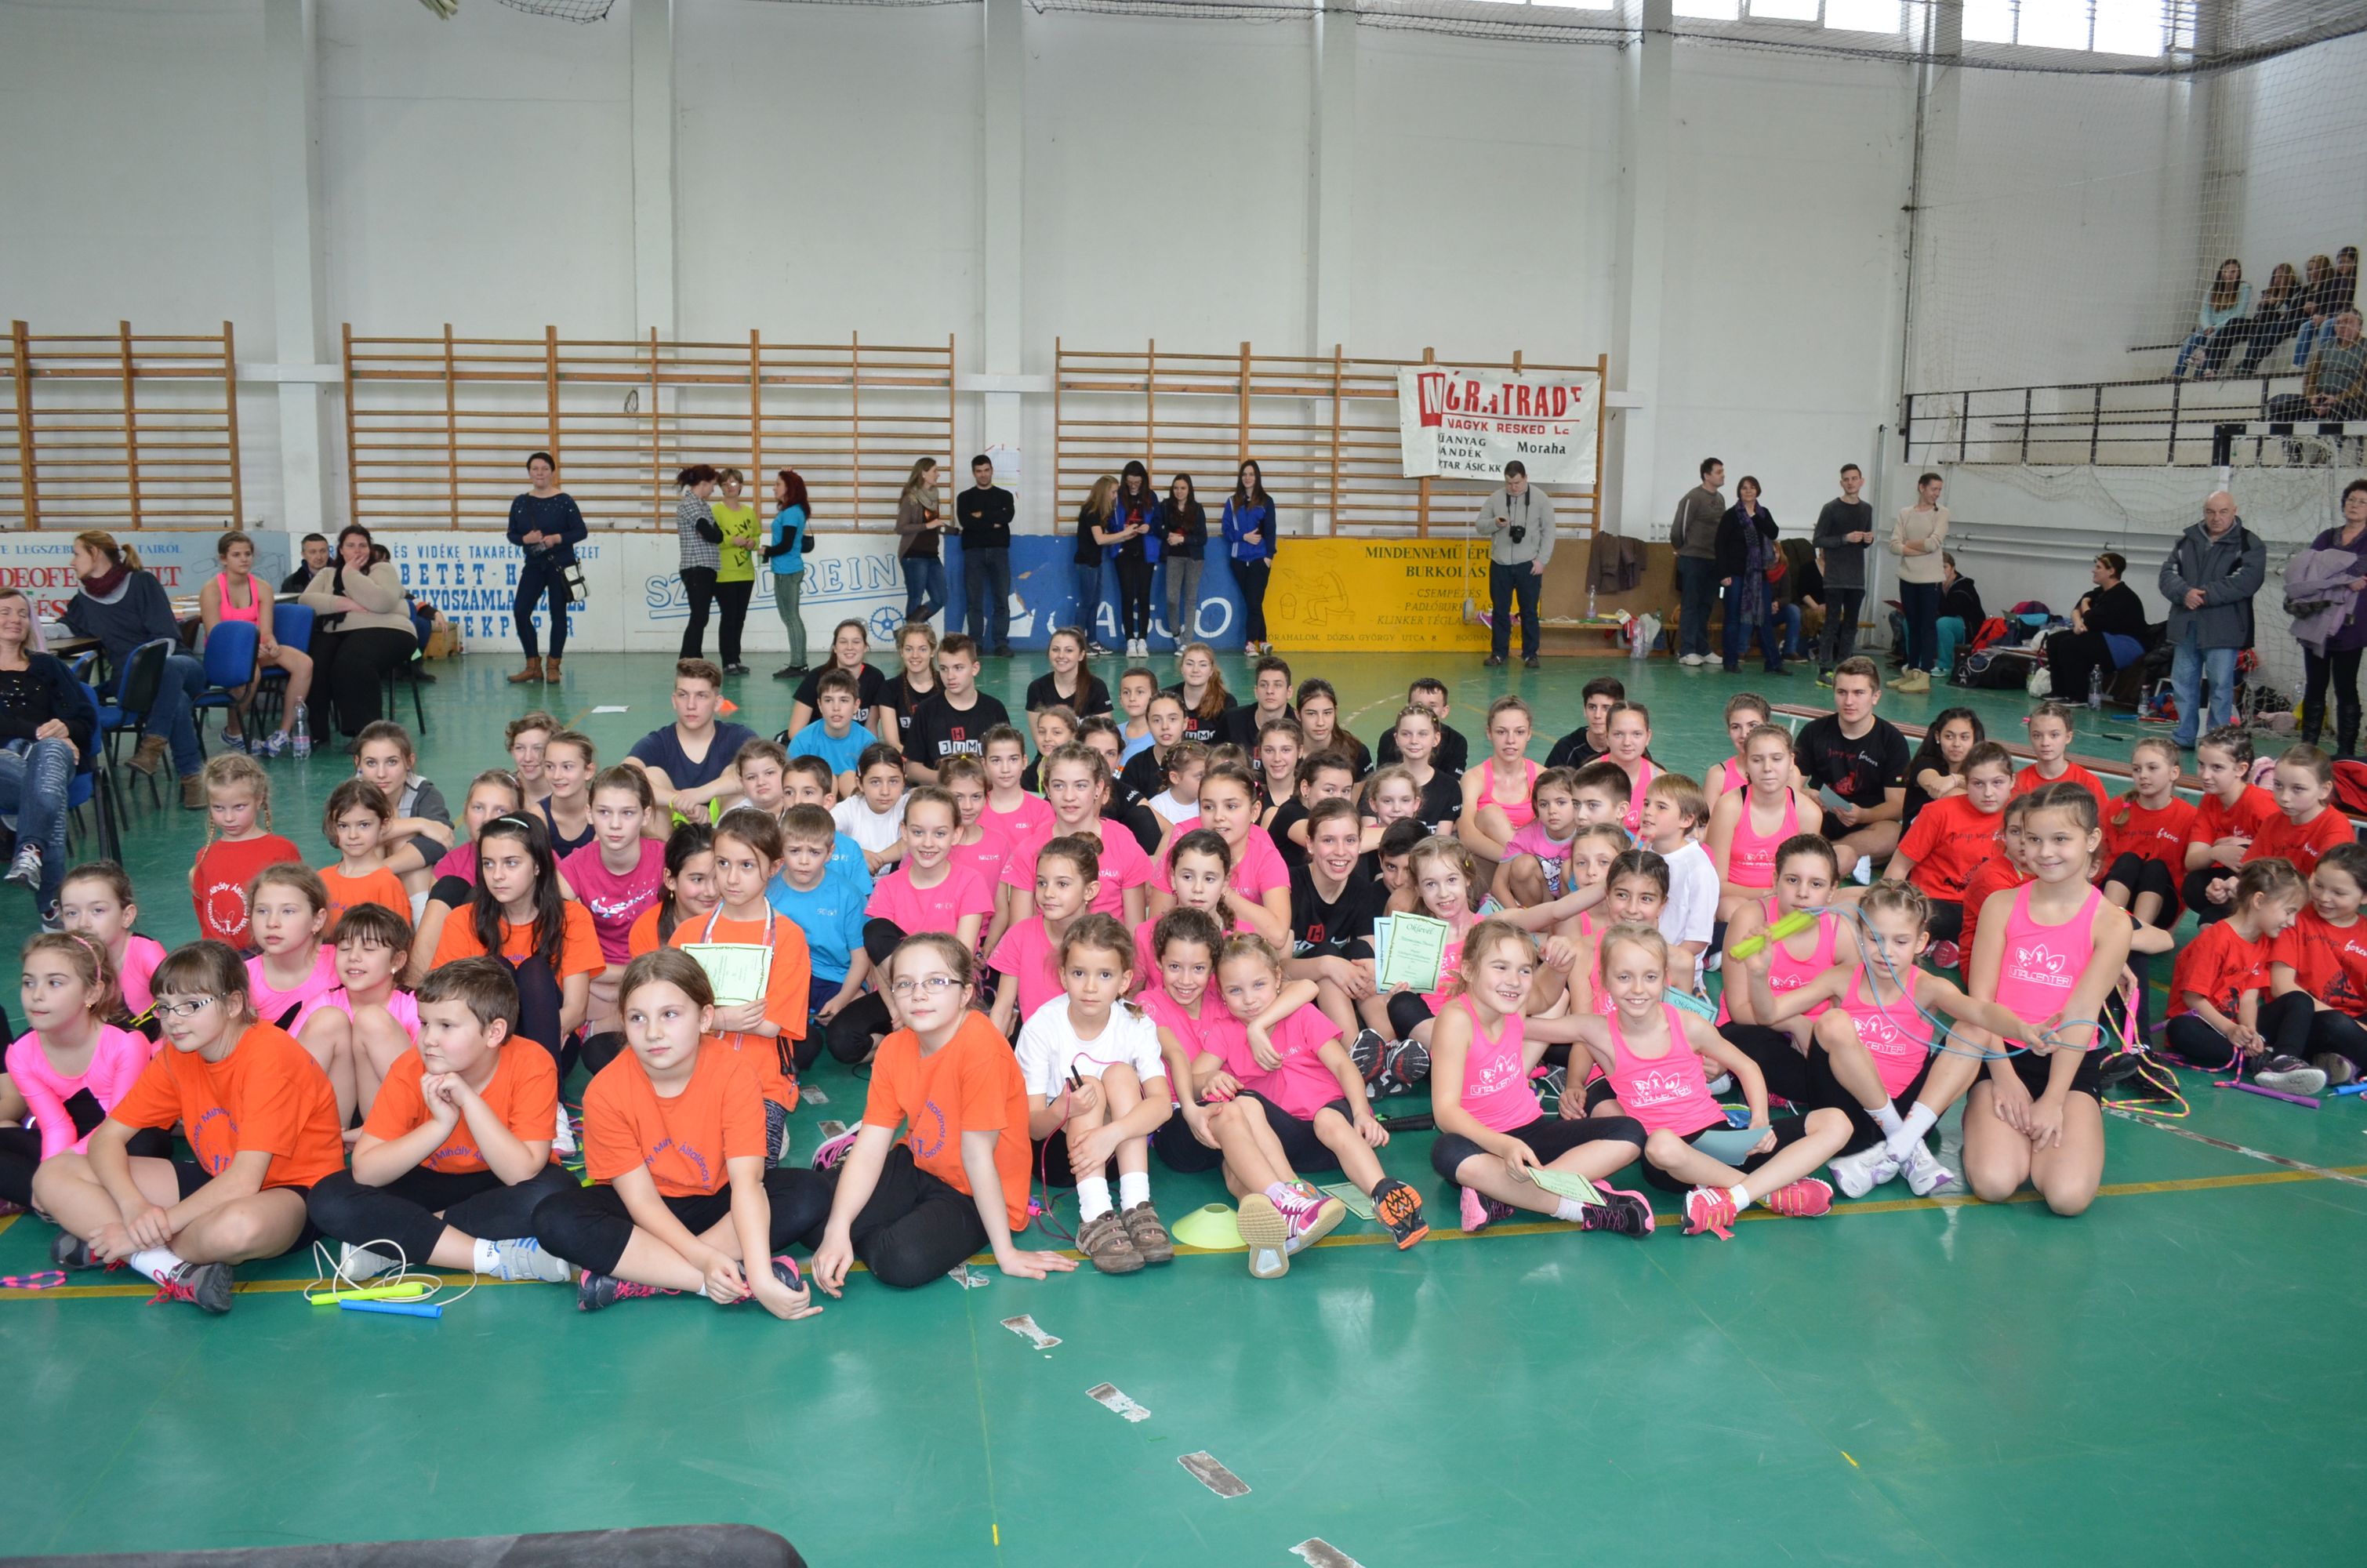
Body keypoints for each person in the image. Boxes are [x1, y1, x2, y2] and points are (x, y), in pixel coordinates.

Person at [35, 939, 345, 1314]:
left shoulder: (270, 1058)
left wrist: (146, 1230)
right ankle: (169, 1268)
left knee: (237, 1228)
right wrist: (133, 1208)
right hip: (217, 1177)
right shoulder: (179, 1055)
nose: (173, 1019)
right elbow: (107, 1139)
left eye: (191, 1005)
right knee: (54, 1174)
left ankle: (121, 1247)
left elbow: (244, 1183)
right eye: (164, 1007)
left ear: (233, 1004)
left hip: (293, 1193)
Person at [530, 949, 825, 1316]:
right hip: (645, 1211)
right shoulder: (606, 1092)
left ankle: (643, 1275)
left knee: (808, 1192)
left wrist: (763, 1277)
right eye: (637, 1018)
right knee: (554, 1218)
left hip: (719, 1202)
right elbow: (642, 1201)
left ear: (704, 1018)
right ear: (623, 1022)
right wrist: (705, 1261)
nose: (653, 1033)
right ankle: (719, 1280)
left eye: (670, 1014)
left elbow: (748, 1184)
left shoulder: (734, 1073)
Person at [806, 934, 1075, 1291]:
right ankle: (861, 1216)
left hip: (975, 1191)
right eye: (905, 984)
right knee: (818, 1223)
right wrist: (838, 1231)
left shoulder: (982, 1048)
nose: (919, 994)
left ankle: (878, 1224)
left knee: (900, 1261)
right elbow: (870, 1147)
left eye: (936, 981)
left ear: (965, 994)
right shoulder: (893, 1049)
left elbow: (977, 1156)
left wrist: (1006, 1254)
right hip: (921, 1161)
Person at [307, 956, 578, 1285]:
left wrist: (469, 1102)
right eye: (424, 1024)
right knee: (329, 1197)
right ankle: (491, 1257)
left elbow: (520, 1172)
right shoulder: (410, 1068)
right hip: (426, 1181)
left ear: (494, 1033)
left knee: (555, 1194)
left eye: (446, 1026)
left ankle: (393, 1245)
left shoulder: (532, 1062)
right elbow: (366, 1171)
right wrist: (439, 1126)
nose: (429, 1039)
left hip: (498, 1184)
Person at [1567, 924, 1844, 1239]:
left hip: (1720, 1139)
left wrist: (1760, 1121)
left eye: (1650, 977)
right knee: (1660, 1144)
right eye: (1624, 977)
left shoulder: (1689, 1025)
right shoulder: (1598, 1030)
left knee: (1836, 1122)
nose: (1638, 989)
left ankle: (1734, 1196)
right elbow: (1531, 1027)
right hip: (1672, 1163)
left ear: (1665, 979)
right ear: (1605, 980)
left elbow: (1747, 1066)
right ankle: (1767, 1193)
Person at [1959, 782, 2131, 1216]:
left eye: (2060, 839)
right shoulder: (2001, 905)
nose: (2045, 852)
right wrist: (2004, 1077)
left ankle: (2060, 1121)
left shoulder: (2112, 924)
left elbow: (2082, 1014)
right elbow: (1981, 1001)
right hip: (2001, 1055)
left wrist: (2054, 1099)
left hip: (2068, 1068)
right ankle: (1986, 1123)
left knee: (2066, 1197)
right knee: (1995, 1183)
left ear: (2091, 840)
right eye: (2034, 839)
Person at [1015, 915, 1178, 1273]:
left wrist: (1110, 1135)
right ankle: (1093, 1214)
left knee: (1121, 1074)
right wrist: (1062, 1108)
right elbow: (1032, 1127)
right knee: (1087, 1084)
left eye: (1104, 975)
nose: (1090, 987)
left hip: (1118, 1153)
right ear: (1063, 976)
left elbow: (1162, 1105)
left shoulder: (1136, 1022)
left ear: (1124, 981)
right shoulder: (1041, 1027)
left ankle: (1136, 1204)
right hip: (1061, 1157)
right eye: (1079, 973)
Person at [0, 932, 162, 1210]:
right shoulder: (20, 1053)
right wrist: (53, 1171)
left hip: (120, 1135)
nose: (37, 995)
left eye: (54, 983)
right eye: (29, 983)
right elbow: (56, 1126)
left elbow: (116, 1125)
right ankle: (55, 1201)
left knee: (145, 1143)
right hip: (68, 1139)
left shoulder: (127, 1044)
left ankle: (55, 1200)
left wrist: (59, 1171)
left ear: (92, 993)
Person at [61, 530, 206, 808]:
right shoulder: (83, 599)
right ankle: (191, 778)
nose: (72, 562)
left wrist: (149, 675)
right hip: (130, 681)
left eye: (76, 554)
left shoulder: (142, 583)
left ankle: (153, 744)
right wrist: (27, 626)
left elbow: (166, 640)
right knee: (176, 699)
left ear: (94, 553)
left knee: (167, 670)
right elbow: (67, 628)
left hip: (179, 666)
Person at [2163, 858, 2322, 1095]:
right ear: (2259, 900)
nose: (2292, 922)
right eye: (2289, 912)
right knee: (2180, 1029)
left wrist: (2250, 1031)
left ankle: (2284, 1060)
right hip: (2204, 1022)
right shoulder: (2215, 939)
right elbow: (2193, 999)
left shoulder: (2264, 940)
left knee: (2299, 1000)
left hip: (2235, 1027)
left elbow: (2248, 998)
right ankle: (2260, 1062)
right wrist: (2230, 1030)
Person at [0, 588, 95, 920]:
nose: (15, 619)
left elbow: (86, 718)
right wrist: (40, 730)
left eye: (22, 614)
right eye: (5, 612)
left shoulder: (48, 666)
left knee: (52, 750)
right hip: (5, 767)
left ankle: (30, 847)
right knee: (46, 791)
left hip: (51, 758)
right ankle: (52, 908)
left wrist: (65, 729)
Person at [2158, 490, 2265, 749]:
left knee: (2220, 686)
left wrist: (2202, 596)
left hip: (2224, 629)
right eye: (2211, 512)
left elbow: (2246, 581)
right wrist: (2184, 593)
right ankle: (2184, 736)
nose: (2216, 518)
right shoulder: (2186, 542)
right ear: (2204, 513)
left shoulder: (2249, 543)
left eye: (2223, 512)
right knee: (2183, 683)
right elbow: (2167, 575)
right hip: (2186, 626)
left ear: (2234, 511)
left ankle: (2217, 741)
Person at [298, 524, 418, 741]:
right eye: (351, 545)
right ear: (341, 550)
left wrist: (350, 573)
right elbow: (306, 600)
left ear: (370, 549)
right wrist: (344, 603)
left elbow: (382, 602)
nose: (357, 550)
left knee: (353, 662)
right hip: (338, 632)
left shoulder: (382, 570)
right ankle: (317, 734)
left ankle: (367, 735)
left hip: (388, 630)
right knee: (317, 661)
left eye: (363, 545)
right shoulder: (327, 573)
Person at [199, 529, 313, 755]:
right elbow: (215, 635)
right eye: (237, 555)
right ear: (223, 559)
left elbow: (266, 630)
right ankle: (233, 732)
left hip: (256, 649)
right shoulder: (211, 590)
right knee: (251, 673)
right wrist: (248, 651)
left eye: (248, 554)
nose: (244, 559)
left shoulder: (262, 588)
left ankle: (283, 733)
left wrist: (271, 642)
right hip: (225, 653)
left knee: (304, 663)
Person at [2265, 840, 2367, 1087]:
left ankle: (2334, 1062)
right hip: (2304, 1021)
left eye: (2339, 893)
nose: (2323, 898)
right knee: (2337, 1025)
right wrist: (2352, 1026)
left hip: (2354, 1022)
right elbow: (2281, 987)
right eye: (2318, 885)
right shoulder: (2295, 918)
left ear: (2364, 897)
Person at [1796, 657, 1911, 875]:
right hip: (1819, 816)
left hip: (1867, 822)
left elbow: (1897, 805)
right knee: (1791, 812)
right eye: (1842, 692)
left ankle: (1821, 855)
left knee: (1895, 834)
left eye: (1859, 693)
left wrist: (1863, 815)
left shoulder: (1892, 740)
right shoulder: (1814, 731)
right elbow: (1789, 786)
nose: (1849, 701)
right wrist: (1806, 794)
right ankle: (1842, 860)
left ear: (1875, 697)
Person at [187, 753, 300, 949]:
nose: (229, 817)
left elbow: (299, 906)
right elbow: (203, 911)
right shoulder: (204, 856)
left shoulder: (281, 850)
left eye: (239, 807)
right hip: (220, 956)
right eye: (218, 808)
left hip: (268, 953)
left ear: (259, 800)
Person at [626, 659, 758, 819]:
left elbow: (765, 772)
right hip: (673, 824)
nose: (691, 705)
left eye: (701, 696)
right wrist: (678, 801)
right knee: (650, 775)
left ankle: (725, 835)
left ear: (717, 703)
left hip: (723, 825)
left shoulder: (738, 737)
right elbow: (623, 777)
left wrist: (701, 794)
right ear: (674, 701)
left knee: (740, 772)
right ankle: (666, 837)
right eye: (683, 695)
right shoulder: (658, 742)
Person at [2292, 480, 2367, 757]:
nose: (2355, 505)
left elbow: (2356, 572)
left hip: (2351, 626)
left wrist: (2333, 573)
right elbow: (2309, 570)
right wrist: (2345, 579)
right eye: (2351, 499)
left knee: (2346, 686)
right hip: (2317, 620)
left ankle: (2346, 751)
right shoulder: (2327, 536)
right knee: (2315, 684)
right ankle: (2308, 748)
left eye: (2362, 502)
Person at [505, 452, 586, 687]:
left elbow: (581, 531)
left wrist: (557, 538)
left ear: (552, 472)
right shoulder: (520, 502)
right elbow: (512, 534)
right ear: (529, 472)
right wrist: (525, 539)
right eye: (535, 469)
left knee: (558, 614)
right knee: (521, 611)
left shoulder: (564, 501)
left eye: (544, 469)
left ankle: (553, 666)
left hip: (560, 565)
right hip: (534, 564)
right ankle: (533, 666)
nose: (539, 473)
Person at [1476, 459, 1556, 670]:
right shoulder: (1495, 498)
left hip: (1529, 564)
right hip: (1500, 563)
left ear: (1526, 478)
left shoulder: (1541, 499)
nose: (1513, 488)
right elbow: (1480, 526)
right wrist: (1495, 523)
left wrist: (1542, 560)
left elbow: (1549, 532)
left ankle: (1530, 654)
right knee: (1500, 611)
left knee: (1529, 612)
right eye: (1509, 483)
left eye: (1517, 483)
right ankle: (1499, 654)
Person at [2044, 551, 2149, 706]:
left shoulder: (2122, 596)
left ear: (2111, 571)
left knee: (2071, 644)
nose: (2094, 570)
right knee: (2054, 640)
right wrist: (2078, 624)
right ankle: (2059, 691)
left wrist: (2085, 604)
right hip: (2106, 638)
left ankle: (2078, 696)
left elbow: (2091, 619)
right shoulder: (2099, 592)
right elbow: (2076, 611)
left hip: (2126, 645)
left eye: (2099, 567)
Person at [1812, 463, 1875, 682]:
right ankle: (1824, 669)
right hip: (1835, 577)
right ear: (1841, 483)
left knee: (1851, 625)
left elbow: (1865, 541)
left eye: (1854, 478)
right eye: (1846, 479)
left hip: (1856, 578)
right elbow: (1818, 540)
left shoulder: (1866, 509)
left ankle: (1845, 669)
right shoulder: (1830, 508)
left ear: (1861, 481)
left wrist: (1869, 539)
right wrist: (1844, 539)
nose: (1850, 483)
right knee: (1831, 623)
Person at [1886, 471, 1948, 694]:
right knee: (1911, 625)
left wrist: (1908, 545)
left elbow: (1933, 544)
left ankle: (1925, 673)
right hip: (1908, 577)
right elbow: (1894, 545)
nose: (1936, 494)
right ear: (1922, 487)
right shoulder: (1905, 513)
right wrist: (1916, 547)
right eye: (1933, 489)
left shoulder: (1942, 514)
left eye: (1939, 490)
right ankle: (1911, 670)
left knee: (1927, 626)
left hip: (1930, 580)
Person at [1715, 476, 1781, 675]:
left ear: (1757, 491)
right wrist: (1723, 573)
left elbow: (1773, 532)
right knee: (1733, 618)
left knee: (1764, 618)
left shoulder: (1763, 513)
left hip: (1759, 575)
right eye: (1744, 488)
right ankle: (1730, 661)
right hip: (1735, 574)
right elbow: (1720, 545)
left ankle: (1773, 663)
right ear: (1739, 492)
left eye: (1752, 488)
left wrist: (1756, 517)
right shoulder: (1731, 515)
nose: (1748, 491)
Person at [2268, 308, 2367, 437]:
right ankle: (2293, 448)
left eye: (2348, 322)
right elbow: (2311, 376)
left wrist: (2337, 399)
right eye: (2338, 322)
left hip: (2351, 401)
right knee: (2279, 405)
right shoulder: (2325, 347)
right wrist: (2312, 397)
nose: (2342, 326)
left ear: (2359, 326)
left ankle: (2335, 447)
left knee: (2341, 410)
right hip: (2321, 399)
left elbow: (2362, 384)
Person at [788, 620, 889, 739]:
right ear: (835, 648)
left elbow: (870, 728)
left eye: (856, 642)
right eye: (843, 642)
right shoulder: (816, 677)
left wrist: (870, 750)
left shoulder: (875, 677)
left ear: (865, 647)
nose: (849, 647)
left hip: (853, 746)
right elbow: (795, 732)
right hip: (816, 745)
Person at [955, 453, 1014, 657]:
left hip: (999, 551)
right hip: (974, 552)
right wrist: (994, 521)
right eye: (979, 471)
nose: (983, 474)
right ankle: (975, 643)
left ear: (992, 471)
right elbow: (966, 522)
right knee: (974, 600)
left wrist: (981, 516)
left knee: (1001, 599)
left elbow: (1007, 517)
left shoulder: (1005, 495)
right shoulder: (965, 497)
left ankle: (1001, 643)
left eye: (986, 470)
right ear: (974, 473)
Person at [1670, 456, 1725, 666]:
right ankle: (1687, 650)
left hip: (1713, 560)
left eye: (1722, 471)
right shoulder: (1693, 498)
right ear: (1707, 475)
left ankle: (1703, 648)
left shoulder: (1720, 499)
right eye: (1719, 472)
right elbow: (1679, 529)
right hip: (1693, 559)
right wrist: (1683, 549)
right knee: (1690, 605)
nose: (1723, 475)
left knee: (1706, 605)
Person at [708, 467, 761, 677]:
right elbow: (712, 540)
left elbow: (757, 536)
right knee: (729, 617)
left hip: (746, 573)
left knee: (739, 618)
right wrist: (731, 541)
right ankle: (728, 660)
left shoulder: (749, 512)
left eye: (733, 483)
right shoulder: (716, 511)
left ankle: (736, 658)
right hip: (724, 574)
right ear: (720, 488)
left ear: (741, 486)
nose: (730, 487)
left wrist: (752, 543)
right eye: (725, 484)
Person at [1222, 459, 1278, 655]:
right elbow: (1226, 530)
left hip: (1259, 560)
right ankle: (1262, 640)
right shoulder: (1232, 502)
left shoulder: (1266, 502)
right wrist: (1243, 537)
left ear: (1257, 477)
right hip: (1238, 560)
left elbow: (1270, 531)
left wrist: (1268, 557)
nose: (1247, 478)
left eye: (1251, 474)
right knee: (1253, 602)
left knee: (1254, 601)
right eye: (1244, 474)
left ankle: (1249, 642)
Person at [671, 464, 723, 660]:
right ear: (703, 483)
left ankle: (694, 656)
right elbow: (712, 534)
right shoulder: (690, 505)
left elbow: (718, 535)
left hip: (707, 567)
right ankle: (688, 658)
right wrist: (712, 533)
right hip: (696, 567)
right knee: (699, 616)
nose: (713, 490)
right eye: (712, 485)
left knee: (701, 616)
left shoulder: (703, 506)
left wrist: (713, 533)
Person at [765, 468, 813, 679]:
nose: (774, 488)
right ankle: (799, 663)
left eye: (778, 484)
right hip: (786, 569)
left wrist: (766, 551)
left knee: (791, 618)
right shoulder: (792, 511)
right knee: (792, 617)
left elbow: (786, 544)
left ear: (789, 488)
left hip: (787, 570)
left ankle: (798, 664)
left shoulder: (792, 513)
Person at [1109, 459, 1160, 658]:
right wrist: (1120, 529)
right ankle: (1130, 639)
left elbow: (1159, 521)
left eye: (1137, 482)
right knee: (1128, 595)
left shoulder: (1151, 496)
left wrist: (1150, 528)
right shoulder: (1118, 496)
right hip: (1124, 551)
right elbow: (1109, 521)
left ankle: (1143, 639)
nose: (1133, 486)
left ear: (1143, 481)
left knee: (1144, 595)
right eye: (1130, 482)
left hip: (1146, 551)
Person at [2174, 258, 2250, 380]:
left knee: (2213, 342)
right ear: (2221, 273)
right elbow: (2204, 311)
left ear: (2239, 273)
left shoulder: (2244, 288)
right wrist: (2207, 327)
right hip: (2209, 327)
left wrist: (2215, 328)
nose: (2229, 275)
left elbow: (2239, 314)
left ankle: (2199, 376)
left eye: (2233, 271)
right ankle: (2177, 374)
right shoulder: (2213, 289)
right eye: (2226, 271)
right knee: (2191, 340)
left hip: (2226, 328)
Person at [895, 458, 949, 627]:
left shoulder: (933, 498)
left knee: (941, 598)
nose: (938, 474)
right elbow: (901, 527)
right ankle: (910, 635)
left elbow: (933, 527)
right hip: (914, 554)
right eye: (935, 471)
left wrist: (953, 530)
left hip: (931, 554)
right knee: (916, 597)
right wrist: (927, 525)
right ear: (923, 474)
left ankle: (907, 631)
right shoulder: (911, 498)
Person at [2224, 260, 2303, 376]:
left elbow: (2290, 313)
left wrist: (2275, 303)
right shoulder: (2271, 292)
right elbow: (2264, 315)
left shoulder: (2297, 291)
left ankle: (2248, 364)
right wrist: (2262, 306)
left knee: (2265, 328)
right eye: (2275, 277)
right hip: (2264, 322)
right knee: (2236, 323)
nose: (2277, 280)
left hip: (2281, 323)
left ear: (2290, 277)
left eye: (2281, 277)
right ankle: (2212, 360)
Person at [1072, 474, 1120, 654]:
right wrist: (1124, 534)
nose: (1115, 496)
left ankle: (1092, 639)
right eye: (1113, 492)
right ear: (1104, 492)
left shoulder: (1101, 512)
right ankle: (1078, 643)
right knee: (1086, 602)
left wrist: (1125, 536)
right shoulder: (1091, 511)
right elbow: (1100, 539)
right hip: (1086, 563)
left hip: (1096, 562)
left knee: (1094, 602)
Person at [1160, 472, 1208, 644]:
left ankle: (1187, 641)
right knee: (1171, 599)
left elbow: (1202, 538)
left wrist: (1182, 539)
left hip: (1194, 558)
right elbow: (1157, 528)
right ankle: (1175, 633)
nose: (1179, 491)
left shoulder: (1197, 508)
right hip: (1174, 557)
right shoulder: (1165, 506)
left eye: (1183, 488)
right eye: (1176, 488)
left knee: (1190, 599)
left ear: (1189, 490)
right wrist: (1168, 535)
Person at [281, 533, 330, 597]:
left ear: (328, 552)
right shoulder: (291, 583)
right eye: (313, 552)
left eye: (323, 551)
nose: (319, 557)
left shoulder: (340, 576)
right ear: (303, 555)